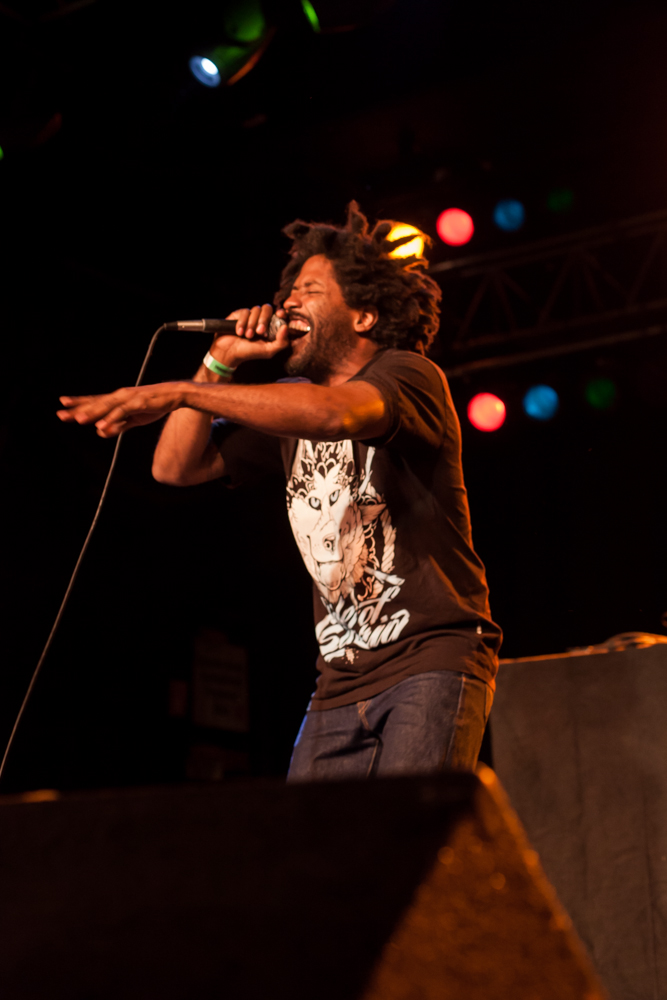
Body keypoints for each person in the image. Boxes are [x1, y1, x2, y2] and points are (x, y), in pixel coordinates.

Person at [57, 202, 502, 781]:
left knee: (408, 848)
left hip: (432, 660)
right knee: (306, 861)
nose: (287, 302)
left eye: (310, 291)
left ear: (364, 315)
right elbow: (174, 467)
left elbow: (336, 415)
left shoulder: (408, 375)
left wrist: (177, 394)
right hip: (338, 683)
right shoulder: (288, 404)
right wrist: (214, 364)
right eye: (288, 290)